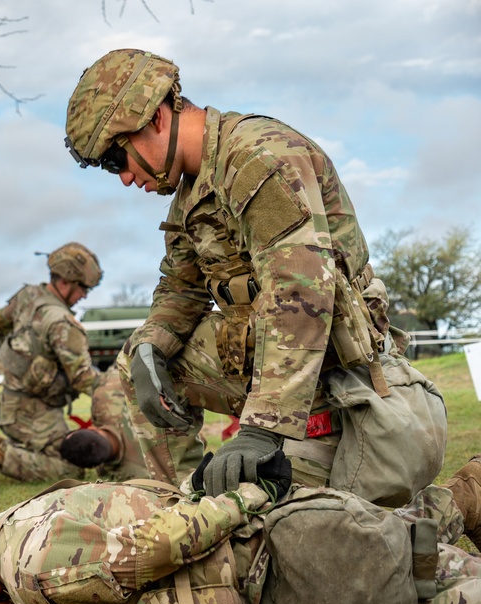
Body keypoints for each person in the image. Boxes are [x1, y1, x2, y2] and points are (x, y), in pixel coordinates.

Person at [64, 49, 446, 505]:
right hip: (278, 373)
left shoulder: (259, 159)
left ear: (155, 118)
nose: (124, 178)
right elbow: (181, 287)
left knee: (324, 530)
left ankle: (465, 498)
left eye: (116, 159)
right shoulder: (189, 194)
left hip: (344, 382)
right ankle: (180, 511)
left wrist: (261, 429)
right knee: (139, 359)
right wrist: (153, 345)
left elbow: (301, 291)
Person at [0, 456, 481, 604]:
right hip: (302, 536)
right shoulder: (28, 514)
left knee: (442, 582)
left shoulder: (32, 571)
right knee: (423, 521)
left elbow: (150, 548)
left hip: (301, 569)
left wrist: (243, 498)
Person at [0, 243, 102, 484]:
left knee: (61, 448)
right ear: (65, 282)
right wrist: (115, 385)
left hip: (11, 407)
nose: (84, 295)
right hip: (35, 414)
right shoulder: (62, 322)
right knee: (71, 468)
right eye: (84, 288)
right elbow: (84, 379)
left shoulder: (27, 296)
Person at [60, 363, 206, 483]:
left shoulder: (131, 474)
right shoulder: (103, 399)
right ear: (92, 428)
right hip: (169, 389)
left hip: (187, 434)